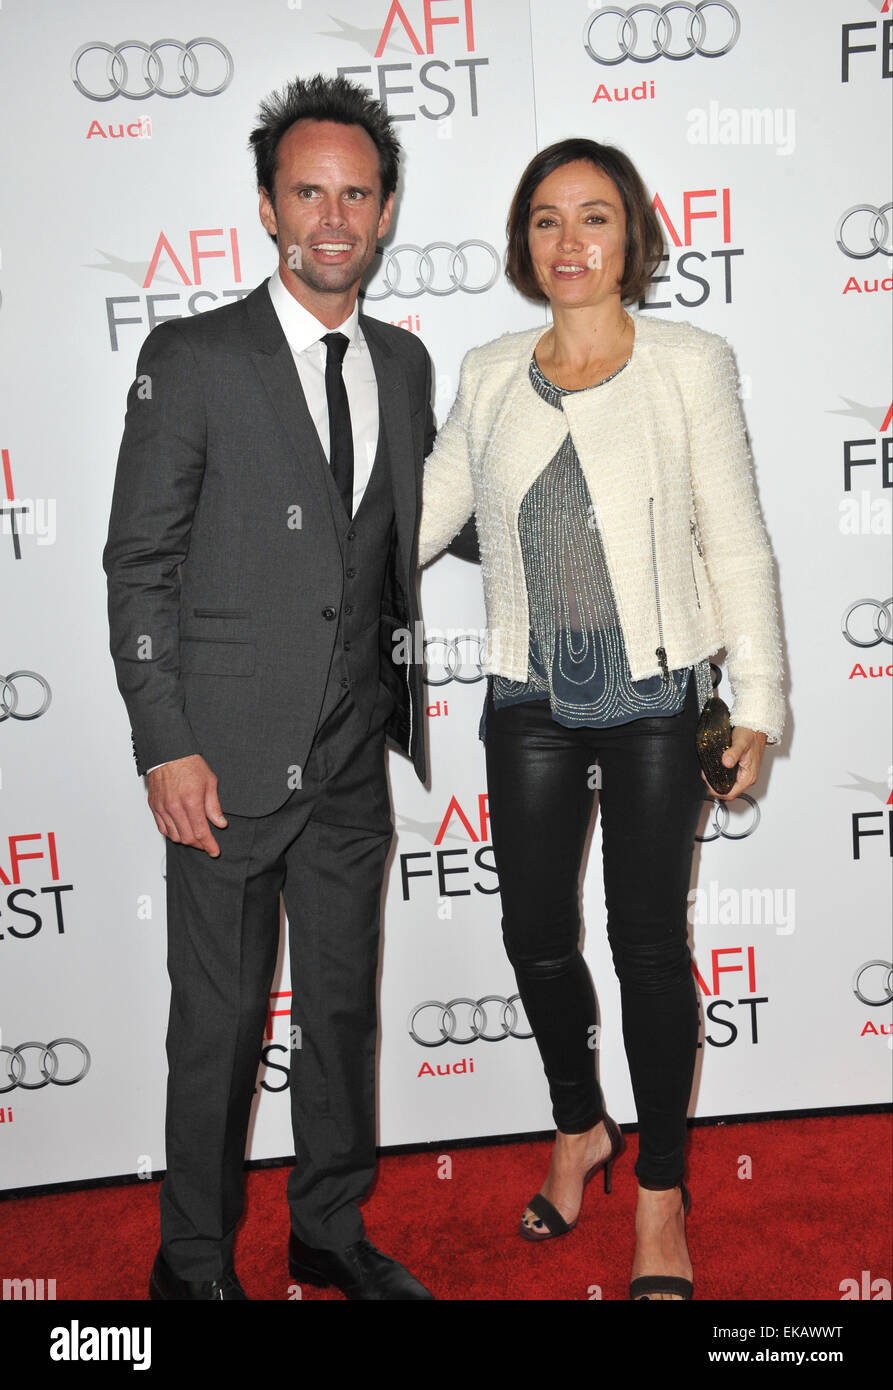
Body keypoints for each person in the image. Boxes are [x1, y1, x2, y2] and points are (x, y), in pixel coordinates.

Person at [418, 138, 785, 1300]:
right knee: (533, 936)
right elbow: (414, 521)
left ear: (630, 235)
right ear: (524, 242)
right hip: (527, 694)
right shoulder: (484, 372)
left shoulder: (688, 361)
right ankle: (577, 1126)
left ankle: (662, 1195)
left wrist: (760, 706)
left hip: (652, 701)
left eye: (592, 217)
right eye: (544, 220)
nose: (568, 242)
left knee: (642, 945)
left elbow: (733, 541)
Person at [103, 74, 436, 1301]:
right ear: (265, 206)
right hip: (225, 764)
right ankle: (191, 1264)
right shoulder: (192, 356)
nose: (332, 216)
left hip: (351, 758)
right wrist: (163, 743)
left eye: (356, 192)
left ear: (387, 211)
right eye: (308, 191)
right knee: (220, 1029)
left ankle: (326, 1231)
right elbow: (137, 562)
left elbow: (415, 528)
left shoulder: (404, 363)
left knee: (340, 1018)